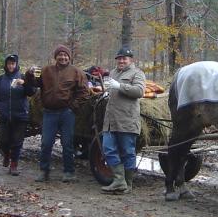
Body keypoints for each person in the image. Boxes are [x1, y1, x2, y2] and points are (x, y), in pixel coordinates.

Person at [35, 45, 90, 182]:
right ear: (56, 57)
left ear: (69, 57)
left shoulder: (76, 72)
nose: (63, 57)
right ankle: (44, 171)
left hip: (67, 113)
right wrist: (30, 75)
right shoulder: (46, 70)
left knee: (67, 143)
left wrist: (73, 107)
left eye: (65, 55)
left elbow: (84, 92)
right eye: (60, 55)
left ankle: (69, 172)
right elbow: (35, 84)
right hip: (49, 112)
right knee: (46, 143)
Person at [100, 47, 146, 194]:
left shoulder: (137, 73)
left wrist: (120, 86)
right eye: (119, 58)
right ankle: (119, 181)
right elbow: (111, 91)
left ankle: (128, 183)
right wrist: (107, 92)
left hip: (127, 119)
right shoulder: (113, 73)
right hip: (110, 120)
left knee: (128, 152)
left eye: (124, 58)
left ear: (130, 60)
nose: (121, 61)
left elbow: (139, 91)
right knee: (108, 148)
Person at [0, 54, 37, 176]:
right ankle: (6, 155)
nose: (11, 66)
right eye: (9, 63)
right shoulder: (0, 80)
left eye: (13, 64)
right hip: (5, 116)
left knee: (17, 141)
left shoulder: (23, 77)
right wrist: (0, 106)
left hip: (20, 115)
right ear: (6, 65)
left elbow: (32, 92)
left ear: (16, 64)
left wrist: (24, 83)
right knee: (2, 141)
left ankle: (14, 165)